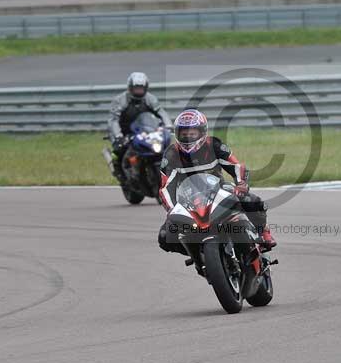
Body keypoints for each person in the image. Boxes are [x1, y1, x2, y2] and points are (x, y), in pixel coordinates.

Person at [157, 109, 276, 264]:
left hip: (218, 191)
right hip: (188, 199)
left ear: (202, 132)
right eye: (184, 134)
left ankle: (263, 233)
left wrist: (241, 185)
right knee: (165, 236)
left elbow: (236, 165)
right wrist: (172, 208)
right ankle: (197, 253)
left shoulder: (214, 145)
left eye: (192, 133)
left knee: (253, 201)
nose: (188, 137)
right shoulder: (171, 153)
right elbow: (165, 186)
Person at [107, 72, 171, 181]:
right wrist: (118, 135)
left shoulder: (150, 98)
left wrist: (169, 126)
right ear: (130, 87)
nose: (139, 91)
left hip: (144, 131)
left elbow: (161, 112)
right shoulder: (120, 100)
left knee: (162, 147)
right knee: (120, 149)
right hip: (125, 132)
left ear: (146, 87)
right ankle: (120, 172)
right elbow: (114, 120)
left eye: (141, 88)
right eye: (136, 88)